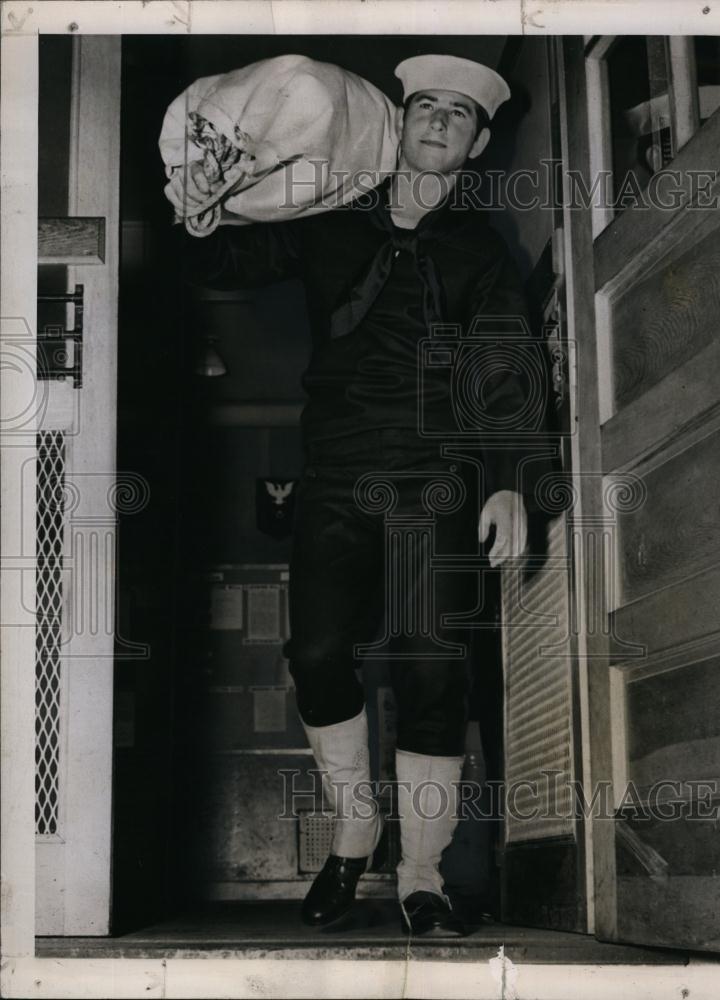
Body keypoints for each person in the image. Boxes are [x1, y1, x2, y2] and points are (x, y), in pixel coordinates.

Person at [170, 54, 558, 937]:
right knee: (314, 653)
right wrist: (199, 201)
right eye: (426, 105)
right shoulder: (327, 219)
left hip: (439, 480)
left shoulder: (477, 248)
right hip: (339, 470)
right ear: (400, 119)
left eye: (458, 114)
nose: (438, 121)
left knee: (431, 670)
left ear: (477, 141)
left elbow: (504, 362)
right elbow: (229, 252)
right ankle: (356, 828)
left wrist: (508, 484)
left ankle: (420, 873)